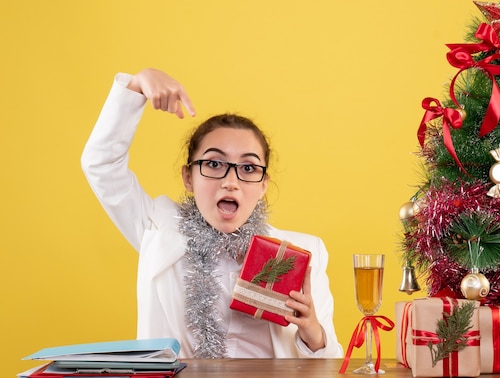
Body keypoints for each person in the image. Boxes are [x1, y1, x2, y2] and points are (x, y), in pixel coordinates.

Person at [81, 68, 344, 359]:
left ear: (263, 187)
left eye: (248, 168)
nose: (230, 181)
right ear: (188, 178)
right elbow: (101, 165)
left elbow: (328, 362)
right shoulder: (158, 230)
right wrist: (137, 85)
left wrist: (312, 331)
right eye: (215, 164)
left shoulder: (304, 254)